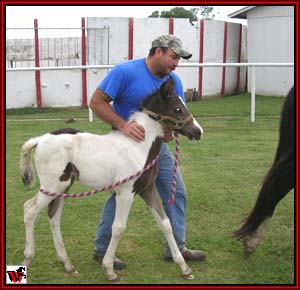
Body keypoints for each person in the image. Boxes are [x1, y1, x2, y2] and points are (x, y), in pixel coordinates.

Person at [90, 34, 206, 270]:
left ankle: (177, 247)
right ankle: (102, 250)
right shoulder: (124, 72)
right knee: (122, 194)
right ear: (157, 52)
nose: (176, 64)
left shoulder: (173, 81)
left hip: (156, 148)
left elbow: (175, 115)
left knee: (176, 191)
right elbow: (97, 102)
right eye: (173, 57)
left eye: (179, 60)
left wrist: (170, 130)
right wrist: (123, 125)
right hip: (125, 145)